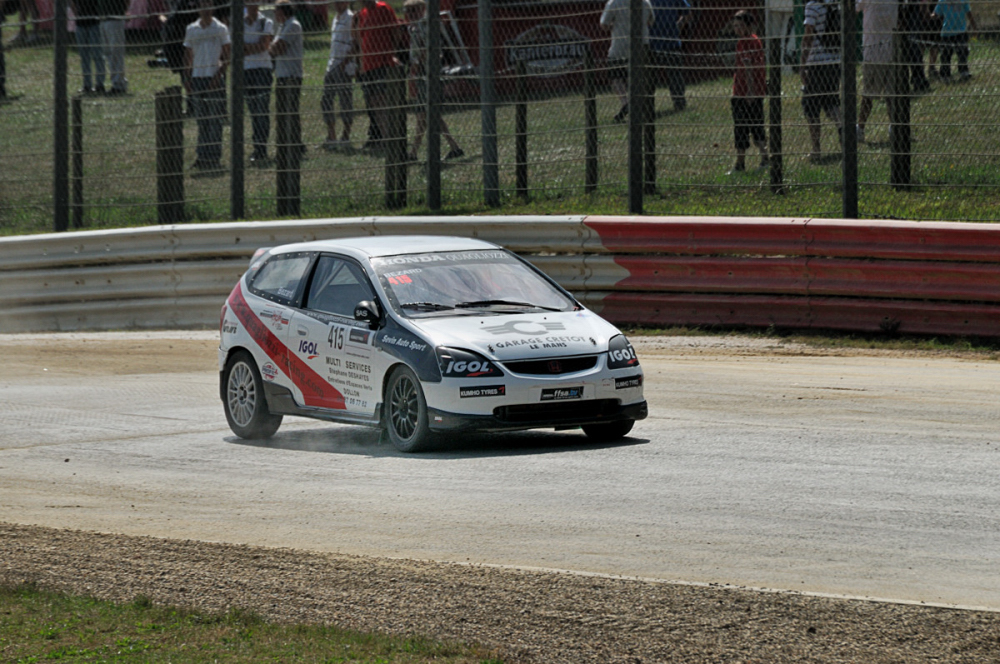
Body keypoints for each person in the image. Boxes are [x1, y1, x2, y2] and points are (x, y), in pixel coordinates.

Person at [403, 0, 462, 162]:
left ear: (422, 9)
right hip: (421, 70)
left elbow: (431, 49)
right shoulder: (413, 27)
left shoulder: (426, 25)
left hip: (429, 70)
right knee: (427, 114)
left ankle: (413, 153)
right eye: (408, 11)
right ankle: (453, 147)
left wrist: (421, 59)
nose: (411, 14)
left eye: (414, 10)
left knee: (425, 113)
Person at [183, 0, 230, 170]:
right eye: (202, 5)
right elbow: (188, 56)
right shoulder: (191, 29)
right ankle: (202, 156)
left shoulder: (221, 29)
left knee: (215, 120)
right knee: (202, 120)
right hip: (197, 78)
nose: (205, 9)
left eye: (208, 5)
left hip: (213, 77)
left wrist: (218, 76)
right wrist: (187, 79)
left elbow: (227, 56)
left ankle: (214, 157)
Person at [354, 0, 402, 153]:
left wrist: (393, 53)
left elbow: (395, 32)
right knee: (374, 104)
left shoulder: (383, 8)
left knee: (382, 101)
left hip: (382, 62)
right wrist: (361, 63)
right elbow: (360, 40)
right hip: (368, 65)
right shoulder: (362, 13)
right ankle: (384, 138)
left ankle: (392, 138)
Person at [800, 0, 842, 162]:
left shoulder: (812, 6)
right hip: (834, 61)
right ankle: (842, 128)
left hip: (816, 63)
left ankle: (816, 149)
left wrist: (803, 63)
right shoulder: (834, 4)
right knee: (831, 102)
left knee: (811, 107)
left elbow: (808, 34)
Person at [600, 0, 654, 123]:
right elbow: (651, 21)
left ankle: (626, 102)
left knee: (616, 77)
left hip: (620, 45)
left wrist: (614, 25)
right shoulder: (645, 3)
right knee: (639, 76)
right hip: (641, 44)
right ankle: (641, 105)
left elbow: (604, 24)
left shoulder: (614, 3)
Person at [855, 0, 899, 144]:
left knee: (868, 95)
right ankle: (895, 128)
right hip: (890, 51)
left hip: (873, 53)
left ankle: (860, 129)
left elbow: (853, 9)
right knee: (890, 94)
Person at [729, 10, 767, 173]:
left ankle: (763, 158)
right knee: (743, 127)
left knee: (751, 126)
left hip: (748, 93)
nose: (737, 29)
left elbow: (749, 67)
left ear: (748, 25)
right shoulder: (744, 41)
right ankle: (741, 163)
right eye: (735, 26)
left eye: (740, 25)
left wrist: (750, 92)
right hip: (740, 91)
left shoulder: (749, 42)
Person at [269, 0, 305, 162]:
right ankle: (292, 144)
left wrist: (269, 48)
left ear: (283, 11)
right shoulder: (283, 26)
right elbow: (275, 47)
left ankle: (295, 145)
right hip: (282, 74)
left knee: (290, 111)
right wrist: (272, 47)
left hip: (291, 76)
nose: (274, 14)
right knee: (284, 111)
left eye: (276, 11)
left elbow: (279, 48)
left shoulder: (293, 25)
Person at [242, 0, 273, 165]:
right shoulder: (239, 23)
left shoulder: (265, 22)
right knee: (253, 111)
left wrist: (247, 48)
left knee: (262, 110)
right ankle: (257, 146)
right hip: (246, 71)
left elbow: (264, 45)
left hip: (262, 69)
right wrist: (256, 46)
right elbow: (236, 47)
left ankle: (261, 148)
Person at [321, 0, 355, 152]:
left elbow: (354, 42)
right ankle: (331, 135)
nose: (337, 4)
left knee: (345, 101)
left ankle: (346, 135)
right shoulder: (335, 18)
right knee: (326, 99)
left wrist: (345, 62)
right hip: (332, 63)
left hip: (343, 65)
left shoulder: (351, 18)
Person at [649, 0, 690, 112]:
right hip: (651, 43)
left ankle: (679, 102)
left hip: (671, 42)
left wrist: (678, 26)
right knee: (650, 77)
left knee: (675, 75)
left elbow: (687, 12)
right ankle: (648, 105)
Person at [70, 0, 106, 95]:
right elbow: (73, 4)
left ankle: (100, 84)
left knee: (97, 54)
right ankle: (87, 85)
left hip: (94, 23)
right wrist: (77, 16)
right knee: (84, 56)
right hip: (80, 24)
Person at [934, 0, 976, 81]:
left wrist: (974, 26)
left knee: (963, 52)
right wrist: (930, 15)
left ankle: (964, 71)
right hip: (947, 32)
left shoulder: (963, 1)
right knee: (946, 54)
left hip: (961, 31)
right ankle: (945, 74)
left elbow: (969, 13)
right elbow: (936, 13)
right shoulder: (942, 1)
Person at [101, 0, 129, 95]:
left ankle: (119, 84)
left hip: (115, 18)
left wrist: (126, 11)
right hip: (103, 19)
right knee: (108, 54)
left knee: (116, 53)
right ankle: (116, 81)